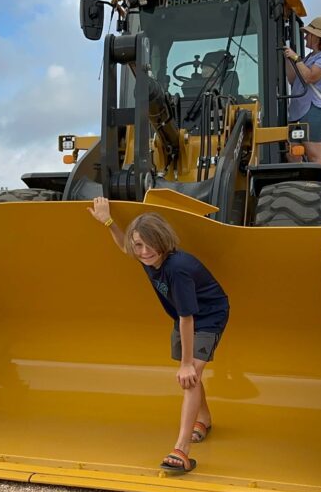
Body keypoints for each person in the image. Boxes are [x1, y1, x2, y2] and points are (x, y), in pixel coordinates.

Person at [88, 197, 229, 473]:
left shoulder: (177, 269)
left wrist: (187, 362)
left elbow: (188, 318)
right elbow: (124, 247)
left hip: (206, 317)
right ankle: (205, 418)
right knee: (191, 377)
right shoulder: (149, 259)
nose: (143, 251)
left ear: (163, 240)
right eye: (138, 244)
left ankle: (181, 450)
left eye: (148, 244)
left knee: (189, 377)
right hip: (183, 316)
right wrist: (107, 221)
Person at [283, 16, 321, 181]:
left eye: (308, 34)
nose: (306, 37)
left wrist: (295, 58)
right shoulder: (309, 57)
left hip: (315, 110)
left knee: (314, 155)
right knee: (292, 153)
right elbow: (293, 80)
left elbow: (310, 77)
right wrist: (288, 59)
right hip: (298, 111)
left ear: (317, 37)